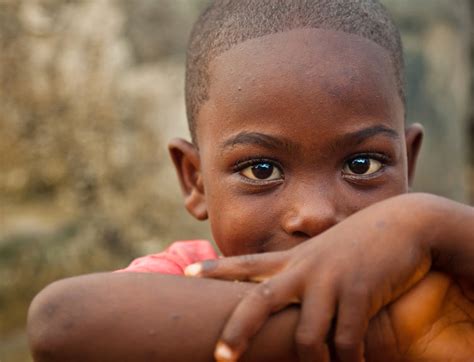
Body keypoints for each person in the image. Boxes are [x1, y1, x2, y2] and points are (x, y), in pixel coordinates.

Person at [27, 0, 474, 361]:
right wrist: (386, 334)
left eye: (362, 165)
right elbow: (62, 321)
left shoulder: (440, 288)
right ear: (195, 181)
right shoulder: (185, 281)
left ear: (408, 163)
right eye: (262, 170)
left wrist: (426, 223)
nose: (316, 215)